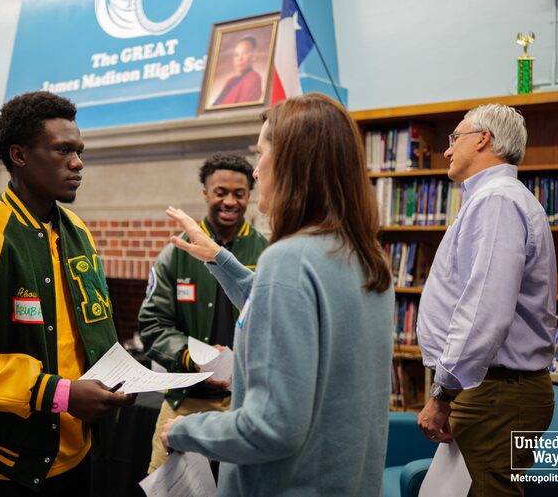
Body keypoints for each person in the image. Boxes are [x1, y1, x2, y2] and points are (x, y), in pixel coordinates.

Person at [160, 92, 394, 496]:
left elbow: (267, 428)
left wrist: (186, 429)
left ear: (292, 164)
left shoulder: (287, 260)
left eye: (261, 151)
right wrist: (218, 258)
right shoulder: (366, 257)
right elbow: (279, 303)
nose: (255, 171)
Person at [0, 91, 134, 496]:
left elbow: (89, 328)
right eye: (62, 150)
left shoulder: (78, 232)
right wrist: (59, 393)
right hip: (8, 463)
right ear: (19, 155)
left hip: (79, 450)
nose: (78, 163)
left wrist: (120, 375)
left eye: (79, 151)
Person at [416, 103, 557, 496]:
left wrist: (443, 393)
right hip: (488, 386)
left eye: (454, 138)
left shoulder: (497, 201)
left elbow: (484, 311)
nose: (446, 150)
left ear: (483, 139)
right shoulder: (496, 198)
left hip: (497, 391)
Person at [139, 153, 267, 473]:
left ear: (250, 195)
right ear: (205, 194)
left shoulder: (268, 252)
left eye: (239, 194)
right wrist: (193, 356)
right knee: (169, 489)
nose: (230, 201)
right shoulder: (176, 253)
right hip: (185, 401)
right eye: (220, 192)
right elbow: (152, 324)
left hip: (245, 404)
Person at [212, 36, 263, 106]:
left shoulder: (253, 78)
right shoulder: (231, 80)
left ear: (253, 56)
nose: (239, 59)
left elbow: (243, 109)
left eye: (245, 53)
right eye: (236, 55)